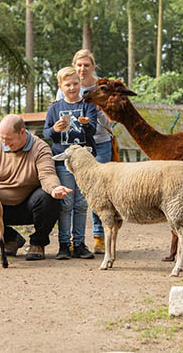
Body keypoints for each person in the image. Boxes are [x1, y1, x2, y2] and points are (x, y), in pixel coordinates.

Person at [0, 114, 72, 261]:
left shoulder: (40, 148)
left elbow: (47, 174)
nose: (4, 142)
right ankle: (11, 239)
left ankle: (37, 243)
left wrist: (54, 188)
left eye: (8, 139)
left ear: (22, 132)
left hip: (27, 207)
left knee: (48, 198)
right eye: (2, 138)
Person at [55, 49, 114, 254]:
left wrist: (98, 111)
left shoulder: (102, 87)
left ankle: (100, 236)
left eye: (86, 65)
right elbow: (59, 113)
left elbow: (111, 121)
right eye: (79, 65)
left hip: (100, 143)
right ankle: (72, 240)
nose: (82, 69)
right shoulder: (67, 84)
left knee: (100, 190)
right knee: (77, 193)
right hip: (76, 147)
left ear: (93, 66)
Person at [44, 66, 98, 260]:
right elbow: (46, 133)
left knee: (82, 204)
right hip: (62, 162)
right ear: (61, 86)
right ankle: (64, 244)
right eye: (68, 85)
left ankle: (80, 243)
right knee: (66, 203)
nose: (72, 88)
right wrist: (55, 130)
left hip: (84, 164)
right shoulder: (54, 108)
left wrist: (85, 124)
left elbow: (93, 130)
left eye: (76, 84)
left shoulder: (87, 106)